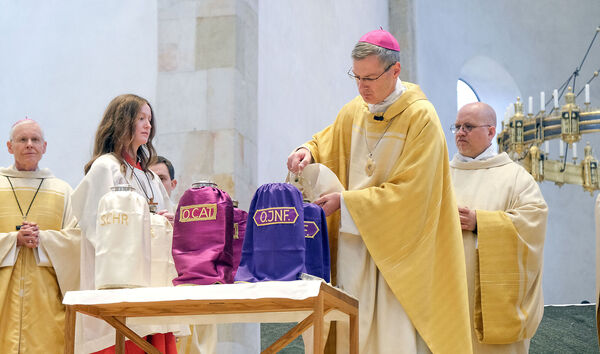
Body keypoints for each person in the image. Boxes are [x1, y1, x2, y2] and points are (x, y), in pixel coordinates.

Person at [287, 29, 472, 353]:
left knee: (391, 340)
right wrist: (307, 151)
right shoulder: (354, 110)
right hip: (351, 253)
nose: (362, 87)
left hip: (397, 259)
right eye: (356, 77)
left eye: (370, 78)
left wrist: (347, 203)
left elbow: (416, 193)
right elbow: (326, 141)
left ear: (395, 71)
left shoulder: (421, 118)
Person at [71, 94, 184, 353]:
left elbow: (166, 215)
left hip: (153, 283)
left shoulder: (150, 176)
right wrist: (148, 223)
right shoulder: (105, 168)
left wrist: (168, 221)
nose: (148, 125)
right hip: (120, 284)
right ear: (122, 122)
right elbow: (97, 229)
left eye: (150, 120)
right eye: (140, 118)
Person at [449, 102, 547, 353]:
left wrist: (481, 223)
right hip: (446, 291)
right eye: (457, 126)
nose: (460, 132)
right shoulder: (440, 175)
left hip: (494, 303)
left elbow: (532, 223)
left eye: (468, 127)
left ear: (491, 132)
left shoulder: (515, 177)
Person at [0, 119, 80, 353]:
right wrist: (13, 240)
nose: (29, 145)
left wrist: (43, 240)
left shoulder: (62, 190)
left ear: (44, 146)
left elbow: (76, 240)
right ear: (9, 146)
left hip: (46, 300)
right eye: (22, 139)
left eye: (35, 140)